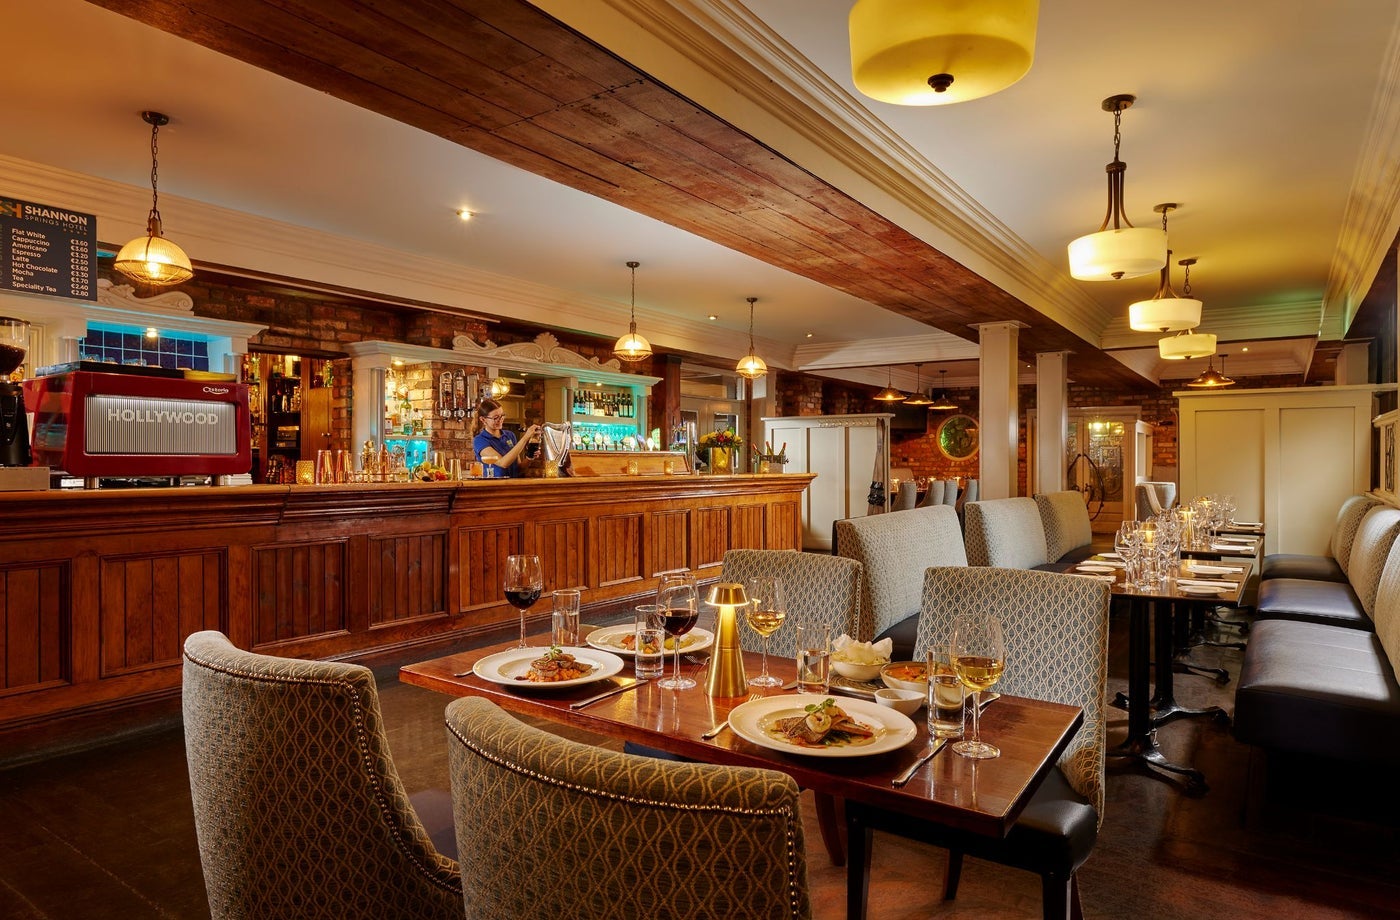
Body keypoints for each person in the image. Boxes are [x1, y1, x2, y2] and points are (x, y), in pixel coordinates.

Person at [473, 398, 540, 478]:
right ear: (483, 419)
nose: (500, 420)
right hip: (495, 487)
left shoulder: (510, 435)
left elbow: (519, 469)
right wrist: (525, 437)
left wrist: (529, 458)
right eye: (496, 417)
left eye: (502, 416)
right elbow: (503, 463)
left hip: (513, 486)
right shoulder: (480, 440)